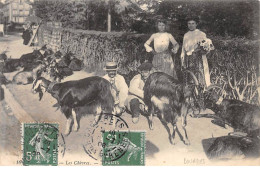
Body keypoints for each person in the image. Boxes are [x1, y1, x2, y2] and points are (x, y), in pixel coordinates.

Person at [180, 17, 213, 87]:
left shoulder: (201, 34)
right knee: (190, 76)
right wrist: (182, 59)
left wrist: (202, 50)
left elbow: (205, 45)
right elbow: (183, 48)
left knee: (199, 74)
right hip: (188, 58)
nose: (191, 25)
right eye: (189, 23)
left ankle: (201, 90)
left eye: (193, 23)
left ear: (196, 24)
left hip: (198, 58)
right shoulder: (186, 35)